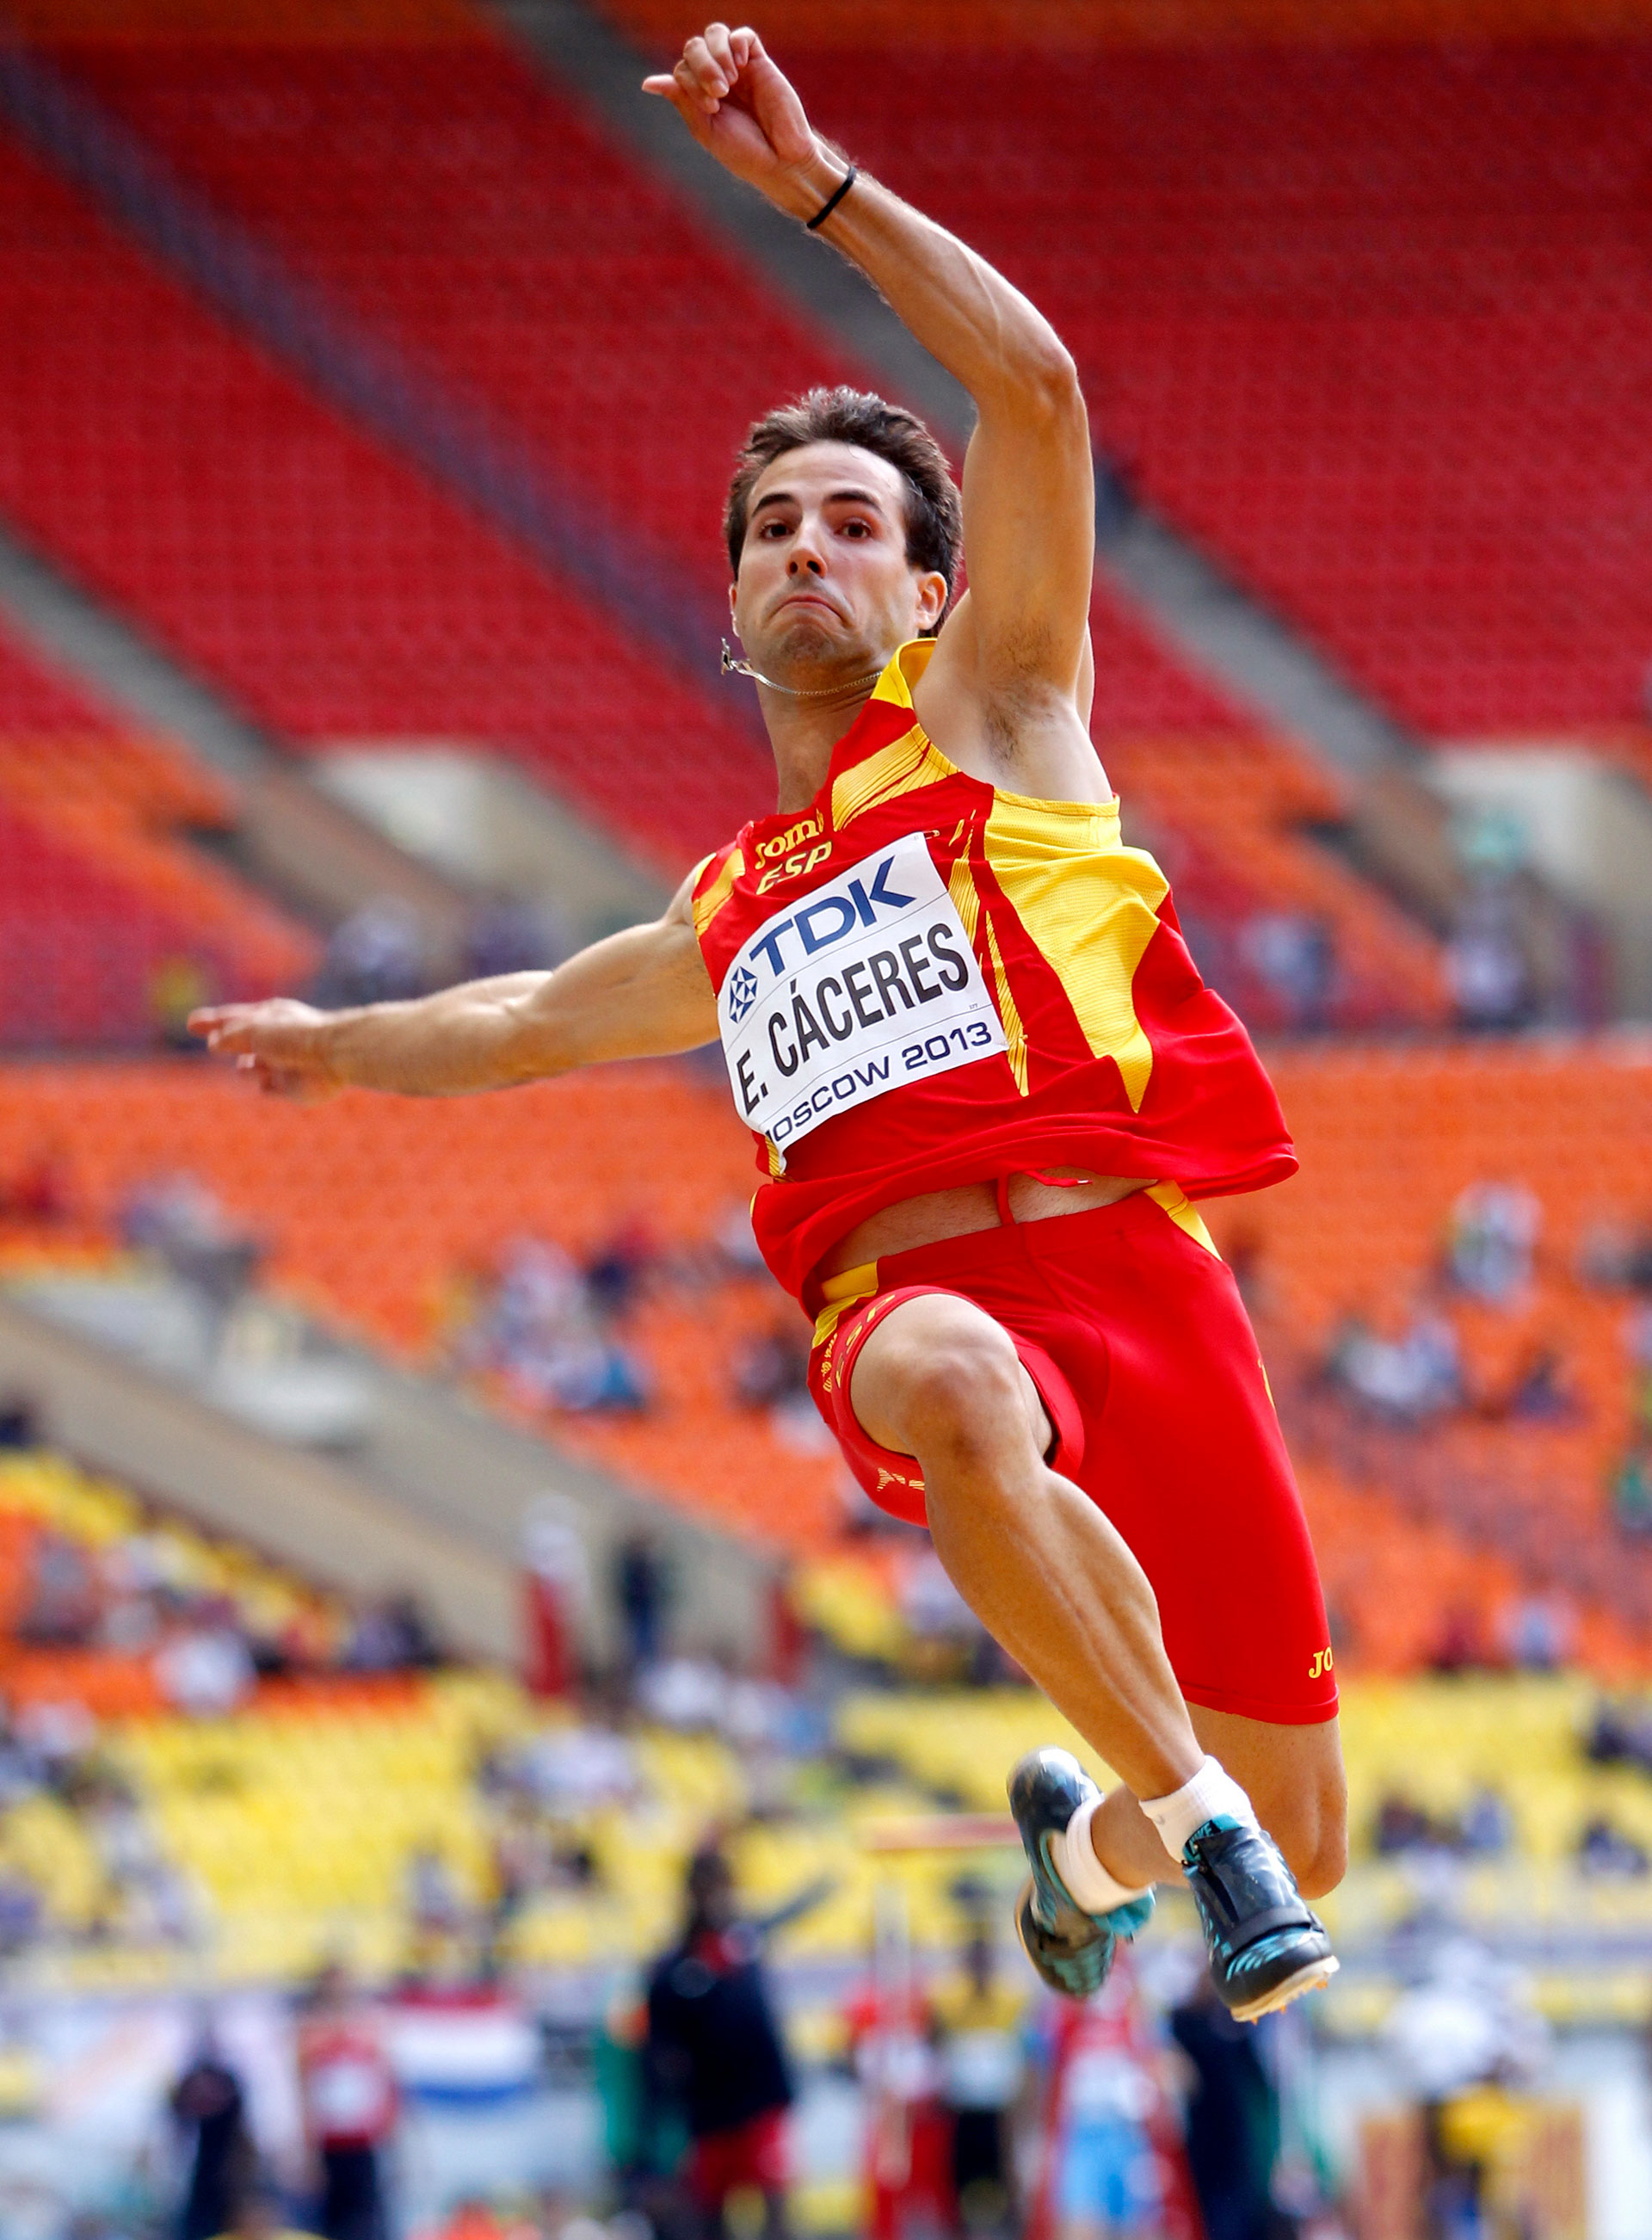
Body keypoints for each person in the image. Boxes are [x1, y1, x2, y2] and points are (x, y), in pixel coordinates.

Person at [192, 20, 1344, 2017]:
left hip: (1142, 1277)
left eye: (853, 522)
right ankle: (1194, 1824)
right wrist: (331, 1037)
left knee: (1320, 1817)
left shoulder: (997, 718)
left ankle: (1100, 1841)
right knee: (971, 1396)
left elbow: (1038, 386)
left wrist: (812, 187)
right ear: (731, 608)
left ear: (926, 595)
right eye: (771, 528)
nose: (807, 543)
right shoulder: (725, 907)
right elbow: (525, 1013)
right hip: (907, 1309)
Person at [646, 1848, 796, 2240]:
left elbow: (761, 2022)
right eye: (707, 1888)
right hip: (710, 2111)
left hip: (761, 2104)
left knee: (776, 2207)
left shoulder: (747, 1949)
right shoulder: (673, 1968)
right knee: (711, 2215)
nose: (717, 1898)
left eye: (723, 1887)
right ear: (692, 1893)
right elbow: (663, 2046)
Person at [295, 1963, 398, 2240]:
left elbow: (385, 2085)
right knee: (332, 2221)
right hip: (329, 2142)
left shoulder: (369, 2027)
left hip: (364, 2140)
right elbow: (304, 2093)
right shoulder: (310, 2031)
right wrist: (308, 2153)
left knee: (369, 2217)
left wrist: (394, 2141)